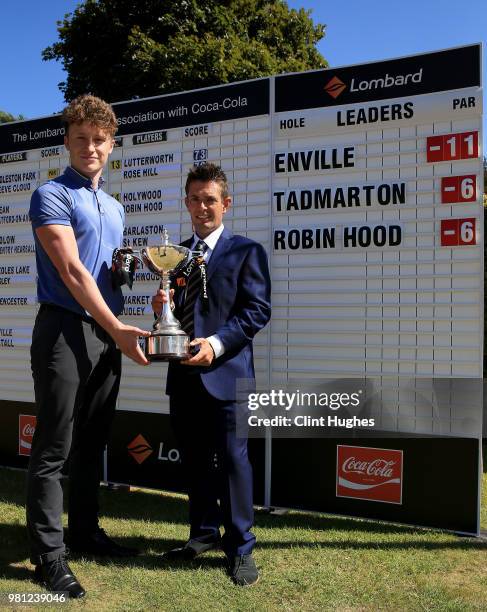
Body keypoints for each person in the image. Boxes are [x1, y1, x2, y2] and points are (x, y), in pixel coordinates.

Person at [27, 94, 150, 599]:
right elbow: (72, 272)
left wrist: (129, 274)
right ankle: (48, 558)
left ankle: (84, 532)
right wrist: (118, 328)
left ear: (111, 144)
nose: (90, 148)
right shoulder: (50, 194)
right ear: (68, 141)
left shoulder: (115, 205)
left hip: (104, 331)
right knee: (54, 445)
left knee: (92, 440)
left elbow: (102, 272)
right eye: (81, 139)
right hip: (63, 328)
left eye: (99, 140)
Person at [151, 163, 271, 586]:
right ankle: (202, 534)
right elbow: (181, 313)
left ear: (226, 204)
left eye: (210, 200)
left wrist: (216, 345)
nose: (202, 207)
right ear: (186, 202)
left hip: (228, 375)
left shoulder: (246, 252)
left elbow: (257, 311)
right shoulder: (174, 256)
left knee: (235, 463)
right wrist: (161, 308)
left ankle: (241, 548)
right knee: (197, 462)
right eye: (195, 199)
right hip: (183, 377)